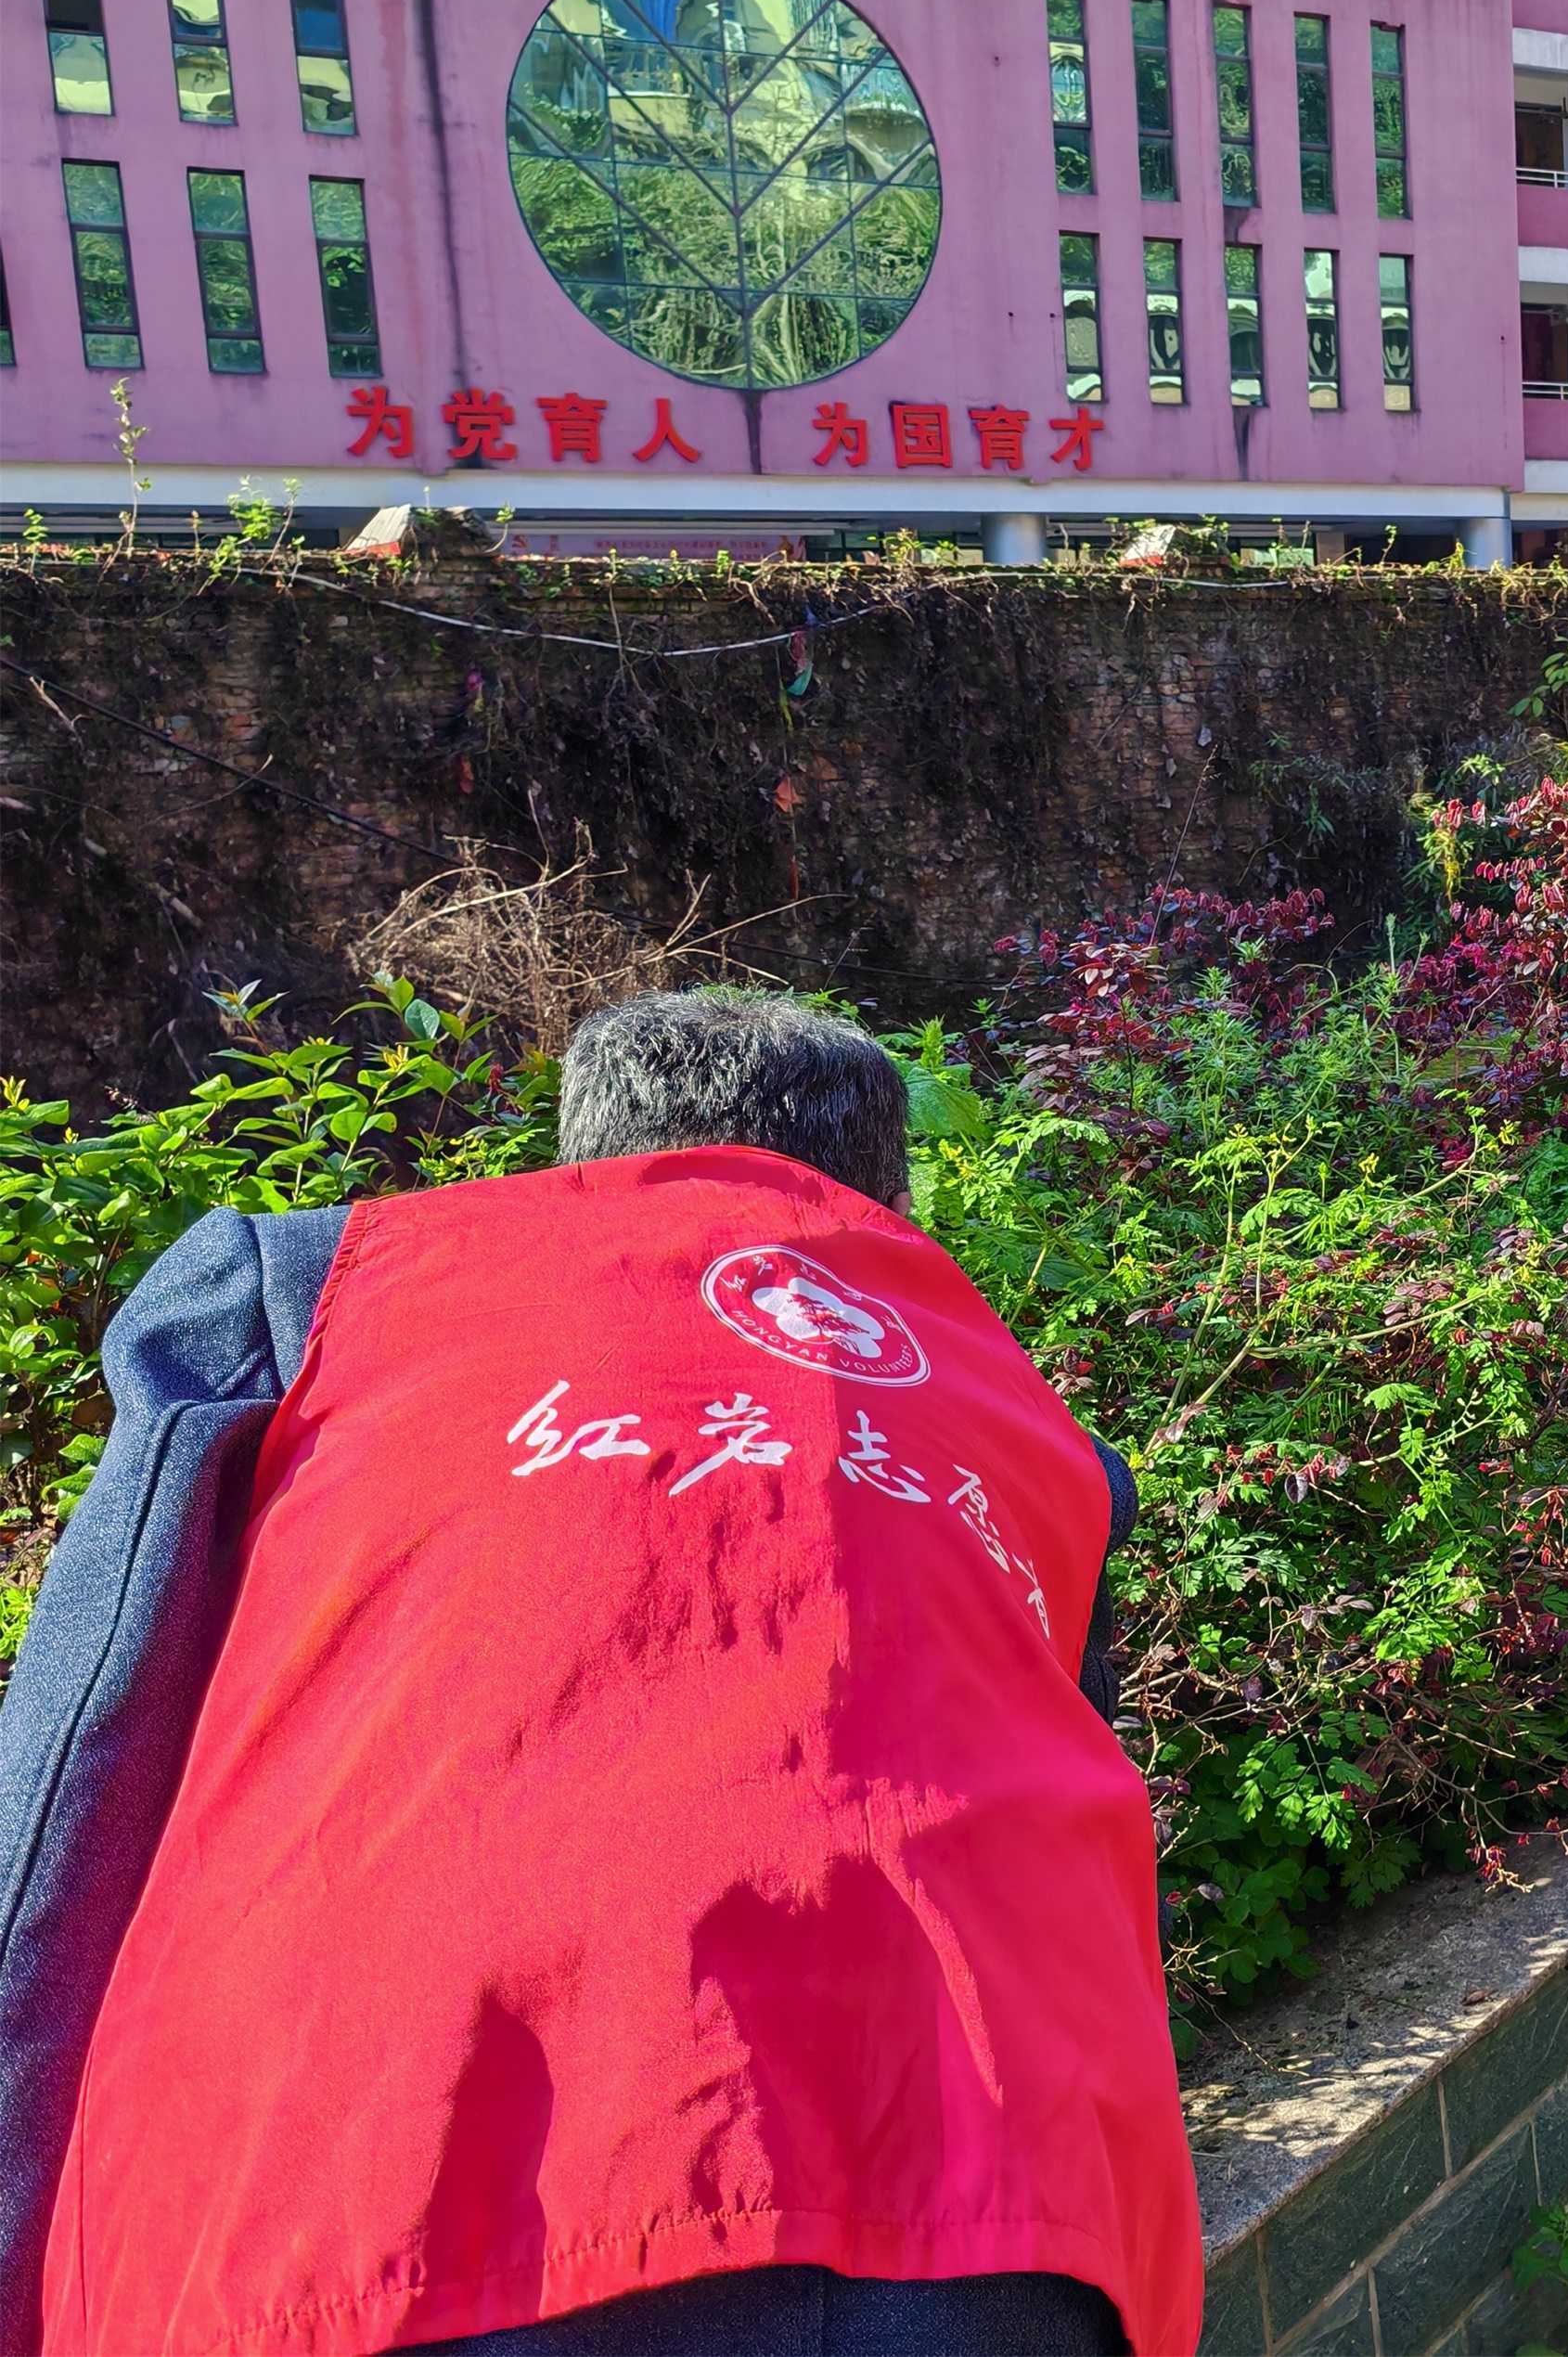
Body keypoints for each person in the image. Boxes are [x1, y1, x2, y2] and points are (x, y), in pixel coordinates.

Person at [0, 991, 1199, 2357]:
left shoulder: (315, 1288)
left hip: (383, 2193)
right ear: (892, 1201)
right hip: (1007, 2231)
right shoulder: (1037, 1437)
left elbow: (74, 1775)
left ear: (579, 1159)